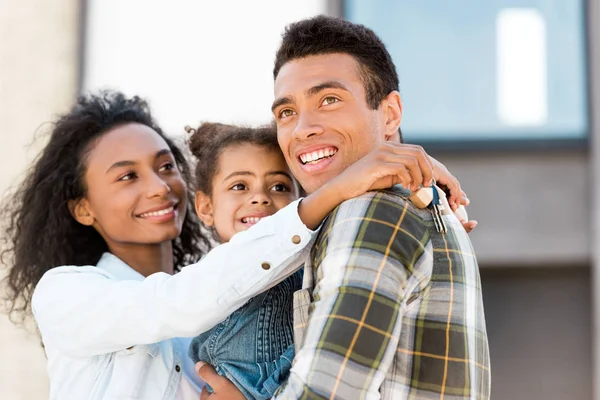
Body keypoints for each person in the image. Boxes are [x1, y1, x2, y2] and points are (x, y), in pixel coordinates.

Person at [0, 91, 462, 399]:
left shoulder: (231, 292)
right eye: (127, 176)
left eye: (166, 167)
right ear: (83, 208)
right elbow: (177, 304)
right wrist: (330, 193)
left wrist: (419, 194)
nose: (160, 187)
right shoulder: (66, 293)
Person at [198, 16, 490, 400]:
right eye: (287, 112)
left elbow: (324, 394)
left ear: (390, 114)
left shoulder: (371, 212)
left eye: (329, 100)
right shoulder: (398, 205)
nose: (303, 128)